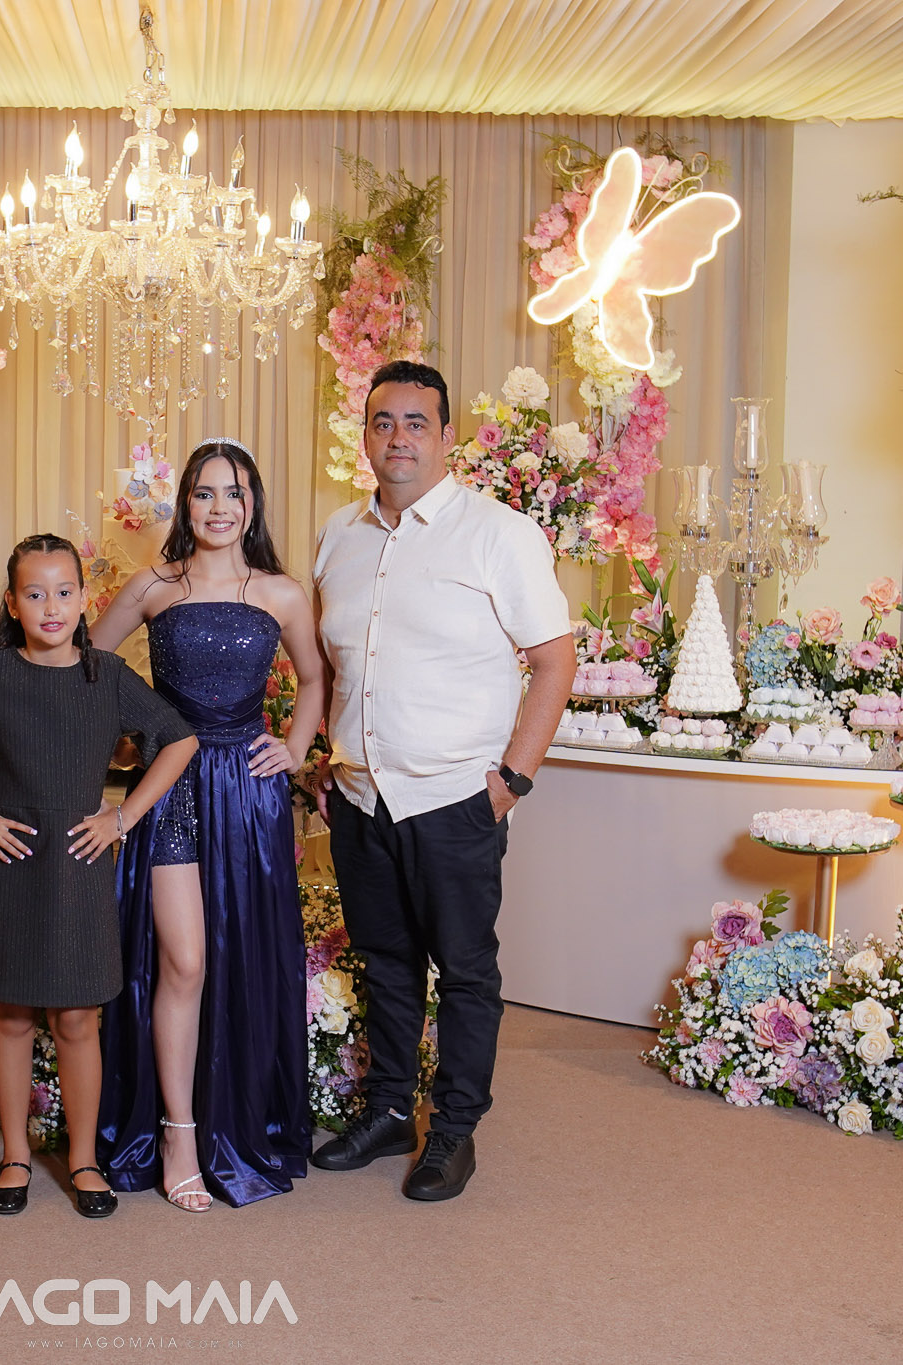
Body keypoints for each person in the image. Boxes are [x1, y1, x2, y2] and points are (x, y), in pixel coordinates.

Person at [308, 360, 575, 1202]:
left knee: (463, 970)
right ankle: (390, 1109)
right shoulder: (338, 535)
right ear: (364, 435)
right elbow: (332, 662)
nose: (399, 438)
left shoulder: (499, 533)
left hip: (456, 797)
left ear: (447, 437)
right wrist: (327, 754)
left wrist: (512, 780)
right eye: (383, 421)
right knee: (385, 962)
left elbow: (554, 659)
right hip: (361, 799)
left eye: (416, 422)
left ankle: (453, 1128)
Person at [0, 534, 197, 1218]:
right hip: (11, 864)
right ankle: (15, 1155)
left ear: (85, 599)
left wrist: (124, 818)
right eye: (35, 594)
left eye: (64, 592)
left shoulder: (106, 674)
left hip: (81, 866)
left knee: (78, 1018)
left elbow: (180, 740)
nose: (51, 606)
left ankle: (83, 1159)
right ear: (12, 602)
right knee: (10, 1016)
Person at [91, 439, 324, 1211]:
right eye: (204, 492)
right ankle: (179, 1133)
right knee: (184, 962)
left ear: (253, 504)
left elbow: (315, 677)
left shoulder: (281, 592)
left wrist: (294, 747)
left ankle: (236, 1119)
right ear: (184, 503)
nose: (219, 507)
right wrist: (126, 741)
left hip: (248, 792)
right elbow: (87, 667)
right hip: (171, 784)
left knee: (242, 958)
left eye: (234, 492)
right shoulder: (154, 584)